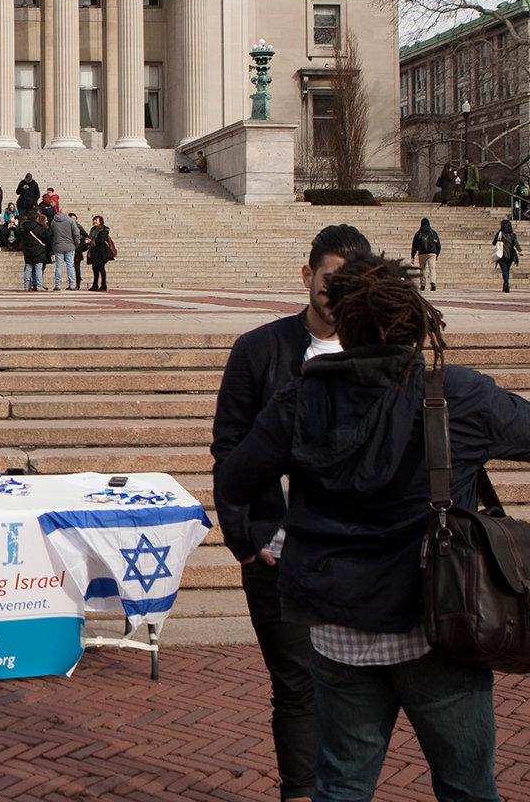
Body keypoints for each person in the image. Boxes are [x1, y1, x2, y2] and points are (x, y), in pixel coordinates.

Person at [216, 255, 530, 802]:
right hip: (439, 618)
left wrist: (265, 538)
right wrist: (483, 403)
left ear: (345, 325)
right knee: (467, 786)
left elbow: (235, 477)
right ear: (417, 325)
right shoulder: (456, 394)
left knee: (342, 784)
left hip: (340, 624)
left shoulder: (304, 398)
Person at [211, 223, 372, 802]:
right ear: (308, 277)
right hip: (277, 555)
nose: (339, 292)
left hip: (357, 555)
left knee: (356, 689)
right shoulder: (259, 350)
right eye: (331, 278)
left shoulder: (378, 353)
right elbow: (229, 449)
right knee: (296, 686)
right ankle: (300, 793)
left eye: (352, 282)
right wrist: (248, 539)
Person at [47, 208, 83, 292]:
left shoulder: (53, 221)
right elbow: (76, 233)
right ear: (66, 213)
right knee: (70, 265)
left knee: (58, 266)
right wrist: (77, 243)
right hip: (70, 246)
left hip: (58, 246)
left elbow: (51, 234)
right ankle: (72, 284)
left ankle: (57, 285)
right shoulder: (70, 221)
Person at [411, 217, 441, 292]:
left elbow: (415, 245)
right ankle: (433, 283)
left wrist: (413, 255)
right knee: (432, 269)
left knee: (422, 269)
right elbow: (438, 245)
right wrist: (437, 254)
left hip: (422, 253)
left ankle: (423, 285)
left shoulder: (418, 233)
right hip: (432, 253)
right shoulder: (433, 232)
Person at [85, 214, 114, 291]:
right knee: (95, 269)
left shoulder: (104, 229)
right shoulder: (93, 229)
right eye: (94, 220)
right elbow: (89, 237)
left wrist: (91, 241)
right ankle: (95, 285)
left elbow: (100, 240)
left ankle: (104, 285)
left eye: (96, 220)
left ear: (100, 221)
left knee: (101, 269)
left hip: (101, 252)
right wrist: (87, 240)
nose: (94, 221)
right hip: (94, 251)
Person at [20, 213, 48, 292]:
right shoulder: (39, 227)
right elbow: (45, 238)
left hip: (28, 250)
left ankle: (26, 286)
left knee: (28, 268)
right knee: (38, 268)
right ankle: (39, 286)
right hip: (39, 250)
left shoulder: (24, 227)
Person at [491, 219, 520, 293]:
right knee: (507, 269)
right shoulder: (513, 235)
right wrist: (520, 250)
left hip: (502, 254)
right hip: (510, 255)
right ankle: (506, 283)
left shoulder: (500, 233)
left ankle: (506, 283)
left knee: (504, 270)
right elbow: (516, 244)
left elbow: (494, 242)